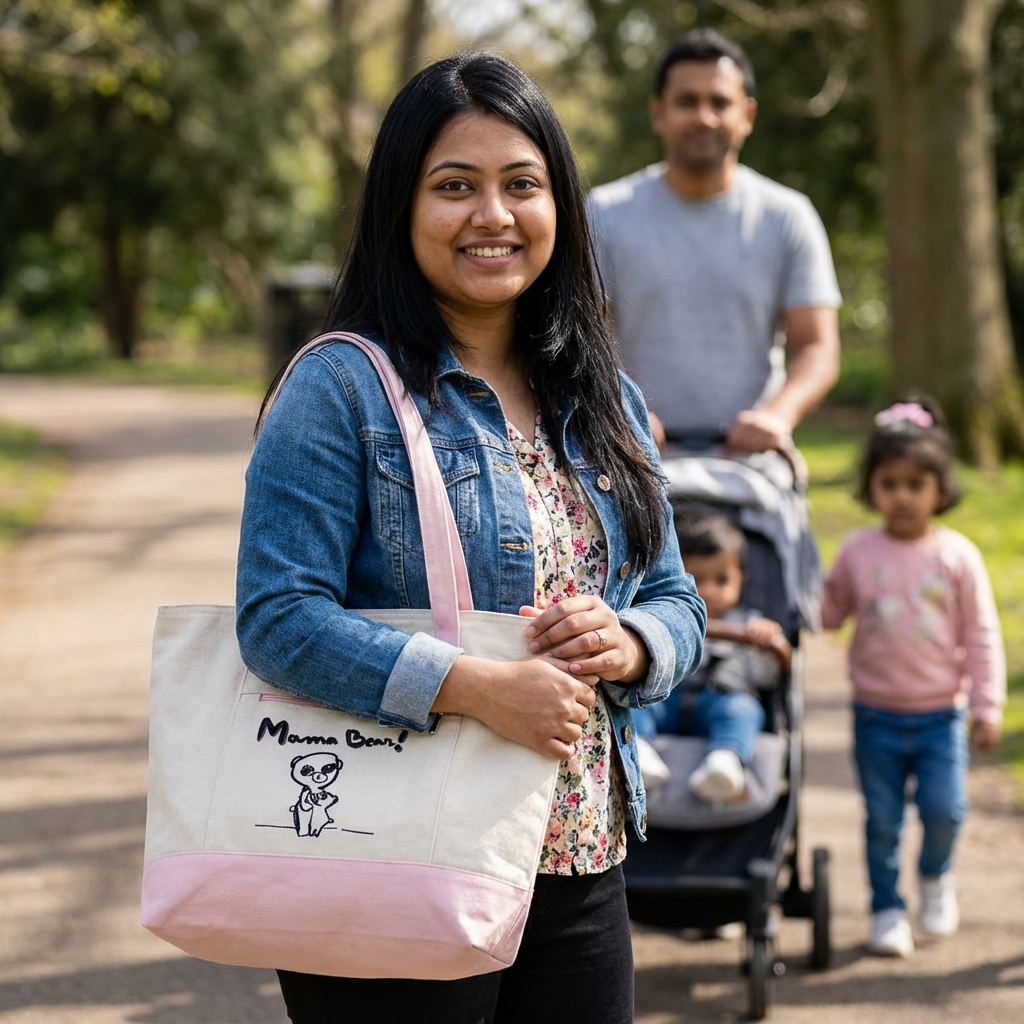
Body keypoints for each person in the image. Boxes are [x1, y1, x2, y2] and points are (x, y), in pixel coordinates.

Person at [235, 52, 706, 1024]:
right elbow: (278, 619)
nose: (492, 215)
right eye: (454, 186)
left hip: (578, 854)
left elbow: (675, 597)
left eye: (521, 185)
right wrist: (477, 686)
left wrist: (631, 643)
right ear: (400, 210)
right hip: (396, 851)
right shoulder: (340, 388)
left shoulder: (604, 396)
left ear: (560, 208)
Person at [586, 28, 841, 455]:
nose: (703, 117)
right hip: (633, 459)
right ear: (657, 112)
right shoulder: (603, 212)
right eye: (687, 102)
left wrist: (778, 415)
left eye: (719, 102)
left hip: (753, 465)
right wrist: (617, 411)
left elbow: (817, 344)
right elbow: (582, 337)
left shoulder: (788, 216)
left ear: (747, 115)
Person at [821, 397, 1005, 958]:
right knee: (882, 820)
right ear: (871, 487)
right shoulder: (857, 550)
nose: (902, 495)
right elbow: (830, 612)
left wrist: (988, 705)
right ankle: (886, 909)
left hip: (940, 717)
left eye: (915, 483)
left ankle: (935, 876)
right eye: (889, 482)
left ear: (940, 488)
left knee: (945, 811)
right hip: (875, 714)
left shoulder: (957, 556)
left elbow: (981, 634)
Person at [635, 507, 790, 802]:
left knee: (744, 709)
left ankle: (726, 760)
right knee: (634, 703)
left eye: (721, 581)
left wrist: (766, 644)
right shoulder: (665, 615)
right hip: (664, 700)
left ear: (741, 580)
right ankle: (640, 752)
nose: (708, 591)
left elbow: (767, 678)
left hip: (719, 701)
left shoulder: (749, 625)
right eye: (696, 580)